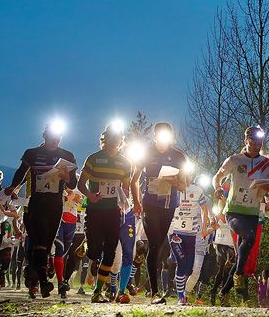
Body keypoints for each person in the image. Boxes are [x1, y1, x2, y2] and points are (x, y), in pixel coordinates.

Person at [6, 121, 78, 298]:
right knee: (38, 241)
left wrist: (67, 177)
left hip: (55, 203)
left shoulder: (67, 155)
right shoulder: (32, 153)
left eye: (59, 137)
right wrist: (13, 187)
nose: (56, 141)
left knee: (45, 245)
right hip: (37, 202)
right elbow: (21, 172)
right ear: (44, 136)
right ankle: (44, 281)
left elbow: (73, 184)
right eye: (52, 137)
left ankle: (34, 275)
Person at [213, 126, 269, 299]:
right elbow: (217, 176)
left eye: (259, 143)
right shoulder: (234, 160)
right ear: (246, 141)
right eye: (252, 142)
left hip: (252, 212)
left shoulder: (268, 164)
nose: (255, 146)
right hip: (234, 211)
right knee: (249, 238)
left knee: (242, 255)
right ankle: (239, 277)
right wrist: (218, 187)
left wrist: (268, 189)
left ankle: (225, 291)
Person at [131, 122, 190, 300]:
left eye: (168, 137)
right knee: (155, 243)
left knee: (158, 246)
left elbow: (184, 185)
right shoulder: (147, 153)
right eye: (161, 137)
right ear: (155, 137)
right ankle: (155, 291)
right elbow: (134, 181)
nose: (164, 142)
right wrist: (136, 202)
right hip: (149, 204)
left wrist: (175, 183)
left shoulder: (178, 156)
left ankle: (153, 285)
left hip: (169, 205)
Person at [77, 122, 132, 303]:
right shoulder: (93, 158)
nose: (114, 140)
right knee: (94, 250)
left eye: (118, 137)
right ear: (105, 138)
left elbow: (125, 187)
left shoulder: (125, 163)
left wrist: (125, 200)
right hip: (94, 210)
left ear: (121, 140)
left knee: (109, 251)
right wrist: (90, 195)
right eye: (111, 136)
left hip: (113, 212)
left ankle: (97, 291)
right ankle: (87, 245)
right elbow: (80, 184)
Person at [167, 183, 213, 305]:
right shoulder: (172, 189)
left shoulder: (200, 195)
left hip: (193, 237)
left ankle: (182, 290)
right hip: (175, 232)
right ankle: (181, 296)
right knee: (181, 264)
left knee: (190, 268)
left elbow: (211, 218)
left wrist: (206, 229)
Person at [54, 188, 83, 299]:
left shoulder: (78, 183)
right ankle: (61, 282)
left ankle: (62, 279)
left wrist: (76, 196)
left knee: (65, 253)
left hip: (72, 223)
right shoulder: (60, 182)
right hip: (59, 220)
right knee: (59, 249)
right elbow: (71, 196)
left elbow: (80, 200)